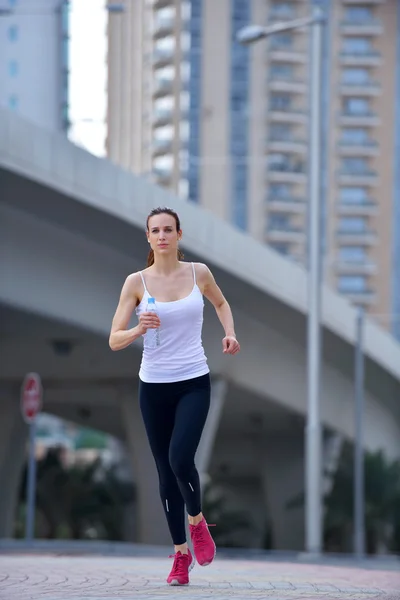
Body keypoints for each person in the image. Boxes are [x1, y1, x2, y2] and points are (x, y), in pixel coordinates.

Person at [109, 206, 240, 586]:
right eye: (156, 230)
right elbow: (114, 339)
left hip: (193, 381)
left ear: (179, 235)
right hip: (153, 387)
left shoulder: (199, 273)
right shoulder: (136, 282)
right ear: (148, 237)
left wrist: (229, 332)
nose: (162, 235)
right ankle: (181, 556)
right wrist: (137, 329)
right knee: (165, 473)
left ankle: (197, 521)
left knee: (180, 456)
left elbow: (221, 302)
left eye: (169, 229)